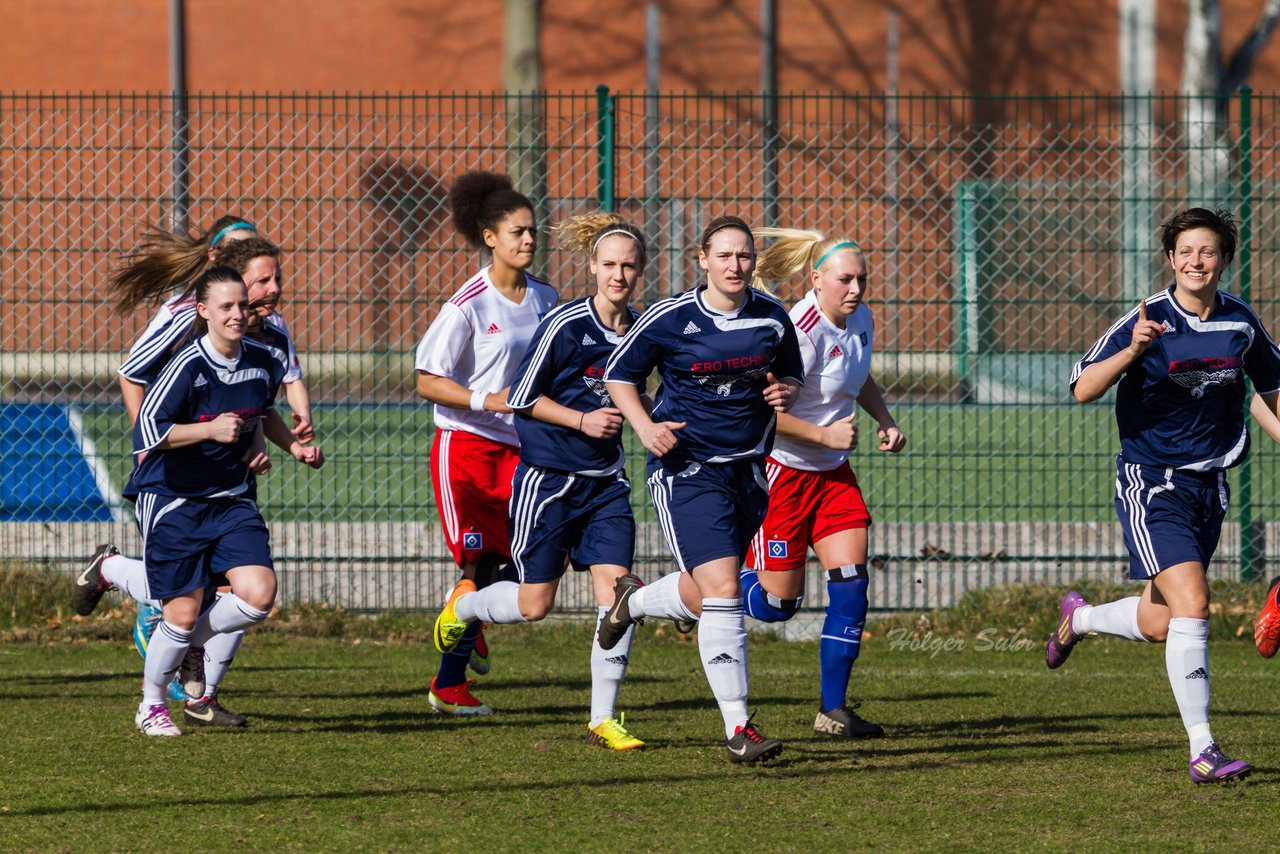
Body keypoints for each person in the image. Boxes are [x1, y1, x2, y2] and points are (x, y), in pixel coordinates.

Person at [1047, 207, 1280, 783]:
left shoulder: (1240, 323)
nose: (1196, 261)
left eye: (1208, 251)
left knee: (1161, 622)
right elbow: (1082, 388)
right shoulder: (1147, 317)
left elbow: (1269, 389)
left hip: (1210, 483)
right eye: (1185, 252)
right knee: (1194, 604)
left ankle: (1080, 620)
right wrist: (1133, 349)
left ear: (1224, 258)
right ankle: (1204, 749)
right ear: (1170, 259)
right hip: (1153, 482)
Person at [74, 230, 322, 726]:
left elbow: (260, 407)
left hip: (229, 493)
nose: (272, 289)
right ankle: (153, 697)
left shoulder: (266, 346)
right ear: (209, 305)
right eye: (261, 281)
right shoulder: (186, 342)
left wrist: (282, 444)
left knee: (252, 594)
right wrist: (191, 436)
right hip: (174, 490)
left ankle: (195, 675)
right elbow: (141, 398)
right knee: (181, 606)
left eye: (277, 278)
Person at [434, 212, 651, 749]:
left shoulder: (643, 331)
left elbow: (642, 396)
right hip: (549, 482)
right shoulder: (563, 324)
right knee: (535, 606)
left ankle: (603, 717)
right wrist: (580, 420)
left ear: (640, 271)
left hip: (605, 483)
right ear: (592, 267)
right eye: (608, 265)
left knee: (616, 595)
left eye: (628, 266)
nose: (618, 276)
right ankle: (463, 608)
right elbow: (523, 397)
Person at [598, 214, 804, 764]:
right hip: (688, 469)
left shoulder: (772, 318)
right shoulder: (672, 317)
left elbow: (791, 377)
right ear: (702, 260)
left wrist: (786, 392)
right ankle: (739, 729)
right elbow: (620, 377)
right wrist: (645, 428)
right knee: (725, 591)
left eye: (744, 256)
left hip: (749, 471)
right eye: (725, 255)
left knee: (702, 595)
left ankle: (633, 601)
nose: (736, 266)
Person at [740, 228, 905, 740]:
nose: (855, 289)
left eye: (861, 279)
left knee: (852, 583)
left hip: (833, 476)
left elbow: (858, 378)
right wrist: (822, 432)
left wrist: (884, 419)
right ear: (816, 280)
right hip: (784, 475)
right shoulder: (799, 331)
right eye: (844, 280)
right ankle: (715, 582)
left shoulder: (863, 319)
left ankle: (832, 710)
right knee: (775, 607)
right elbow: (760, 413)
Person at [415, 171, 557, 715]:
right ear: (489, 237)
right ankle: (449, 686)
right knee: (478, 565)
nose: (527, 240)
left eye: (532, 232)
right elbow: (427, 378)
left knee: (519, 569)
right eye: (517, 231)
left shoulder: (546, 297)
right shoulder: (466, 305)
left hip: (525, 450)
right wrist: (484, 400)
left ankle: (467, 626)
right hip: (467, 447)